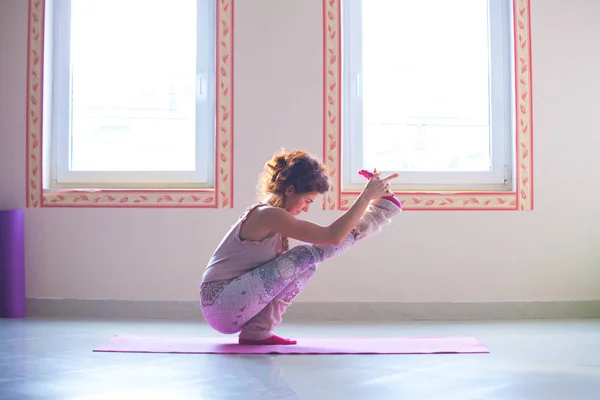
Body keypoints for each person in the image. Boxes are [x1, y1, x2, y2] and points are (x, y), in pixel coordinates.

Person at [199, 150, 401, 345]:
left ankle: (257, 332)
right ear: (290, 190)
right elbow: (332, 237)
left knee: (307, 266)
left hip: (225, 305)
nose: (306, 208)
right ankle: (380, 212)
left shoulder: (271, 215)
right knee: (303, 255)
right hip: (221, 303)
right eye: (307, 201)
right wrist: (367, 196)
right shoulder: (268, 214)